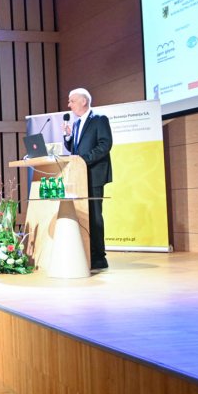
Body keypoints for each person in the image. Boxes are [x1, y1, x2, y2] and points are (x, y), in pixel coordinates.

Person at [62, 87, 113, 271]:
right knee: (83, 216)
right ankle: (86, 253)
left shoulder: (99, 119)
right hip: (80, 176)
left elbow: (105, 144)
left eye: (72, 100)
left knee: (95, 216)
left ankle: (99, 257)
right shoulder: (76, 124)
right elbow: (74, 150)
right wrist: (68, 136)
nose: (69, 104)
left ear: (84, 101)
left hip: (94, 175)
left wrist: (84, 160)